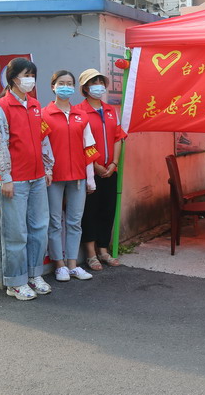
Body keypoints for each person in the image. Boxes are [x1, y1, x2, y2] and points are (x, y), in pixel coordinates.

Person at [0, 57, 55, 301]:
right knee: (15, 233)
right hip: (15, 180)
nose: (30, 80)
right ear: (13, 78)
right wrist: (6, 176)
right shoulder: (2, 106)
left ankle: (34, 274)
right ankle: (15, 282)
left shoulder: (35, 105)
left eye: (32, 75)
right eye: (26, 75)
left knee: (38, 229)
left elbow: (43, 138)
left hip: (37, 177)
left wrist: (47, 167)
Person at [43, 70, 98, 282]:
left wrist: (90, 178)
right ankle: (60, 266)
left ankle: (73, 265)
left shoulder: (81, 116)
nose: (65, 87)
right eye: (61, 83)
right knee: (55, 222)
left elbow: (89, 148)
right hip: (54, 178)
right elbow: (42, 147)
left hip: (78, 177)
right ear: (53, 86)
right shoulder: (44, 115)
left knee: (75, 222)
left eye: (69, 83)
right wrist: (46, 171)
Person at [75, 68, 126, 271]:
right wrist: (95, 164)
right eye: (93, 83)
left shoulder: (111, 110)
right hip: (90, 171)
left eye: (101, 82)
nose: (99, 86)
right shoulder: (79, 111)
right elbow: (79, 142)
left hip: (110, 171)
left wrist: (114, 163)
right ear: (85, 88)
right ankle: (90, 253)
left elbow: (118, 138)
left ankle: (103, 250)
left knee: (107, 209)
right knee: (90, 211)